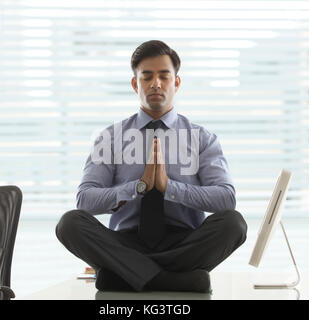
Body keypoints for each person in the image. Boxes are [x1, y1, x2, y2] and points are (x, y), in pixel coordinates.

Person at [55, 40, 247, 293]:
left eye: (164, 76)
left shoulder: (202, 138)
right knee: (69, 223)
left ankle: (127, 275)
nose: (156, 83)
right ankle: (172, 279)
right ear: (135, 84)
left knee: (234, 224)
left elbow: (226, 199)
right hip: (126, 243)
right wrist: (138, 187)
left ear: (176, 83)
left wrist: (169, 187)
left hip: (184, 243)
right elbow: (85, 200)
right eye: (147, 77)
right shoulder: (110, 138)